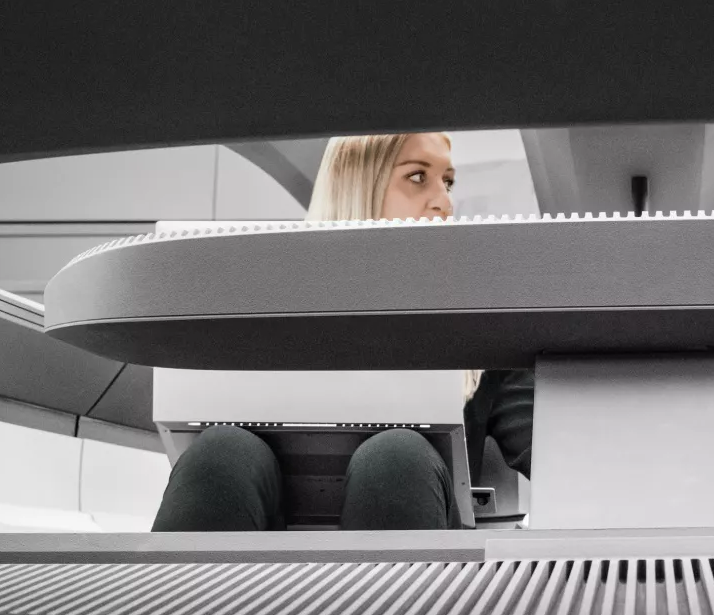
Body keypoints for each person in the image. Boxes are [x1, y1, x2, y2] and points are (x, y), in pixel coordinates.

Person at [153, 132, 533, 531]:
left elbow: (554, 448)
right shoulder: (261, 303)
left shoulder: (478, 329)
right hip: (267, 527)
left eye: (448, 182)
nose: (445, 201)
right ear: (358, 183)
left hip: (416, 513)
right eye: (418, 177)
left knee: (396, 458)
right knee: (219, 455)